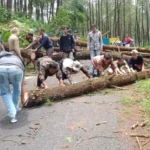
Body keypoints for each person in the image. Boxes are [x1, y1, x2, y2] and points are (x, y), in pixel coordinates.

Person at [0, 51, 26, 123]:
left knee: (5, 92)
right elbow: (23, 78)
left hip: (1, 68)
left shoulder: (1, 57)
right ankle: (15, 108)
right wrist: (23, 96)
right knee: (17, 89)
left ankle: (12, 115)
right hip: (16, 68)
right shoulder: (17, 58)